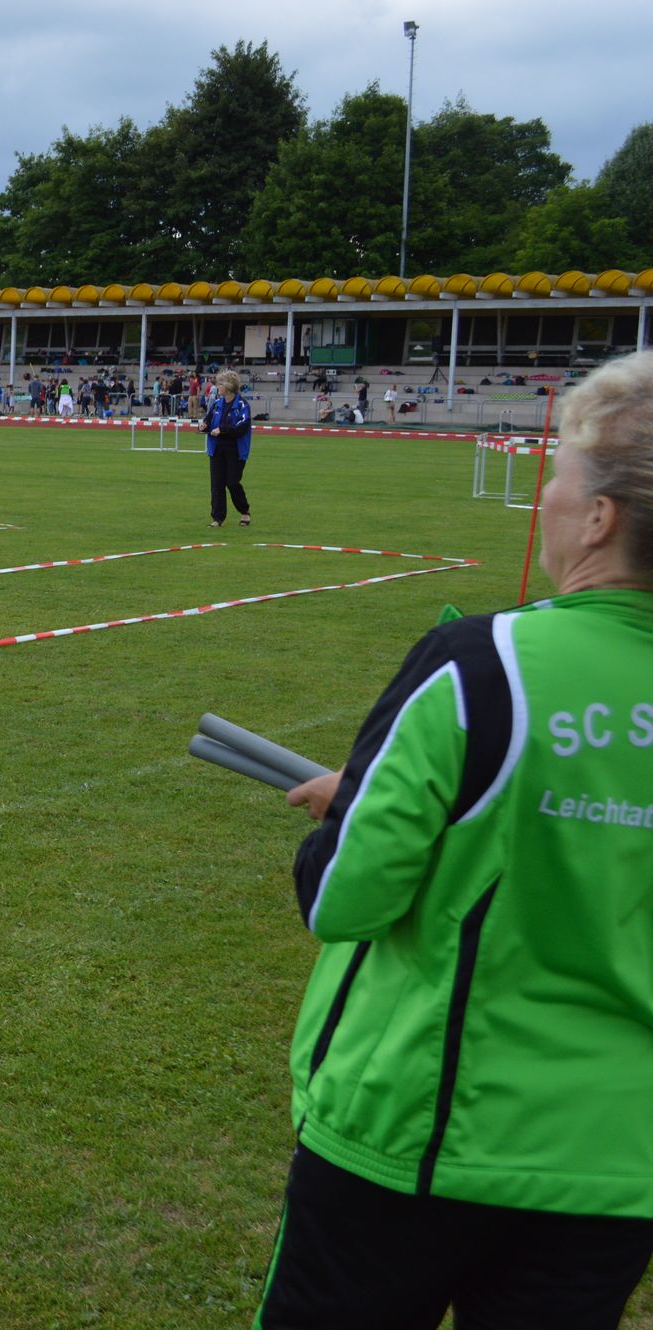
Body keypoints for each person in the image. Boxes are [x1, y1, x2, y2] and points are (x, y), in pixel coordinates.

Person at [255, 350, 653, 1328]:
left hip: (417, 1135)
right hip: (614, 1165)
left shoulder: (481, 665)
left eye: (557, 475)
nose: (544, 497)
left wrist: (351, 812)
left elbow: (344, 897)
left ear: (599, 518)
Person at [202, 368, 252, 528]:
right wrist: (204, 425)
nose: (218, 387)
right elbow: (208, 420)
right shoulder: (217, 404)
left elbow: (242, 426)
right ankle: (217, 518)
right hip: (217, 449)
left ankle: (244, 511)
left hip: (235, 451)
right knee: (216, 484)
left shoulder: (242, 405)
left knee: (232, 482)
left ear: (229, 387)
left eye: (221, 384)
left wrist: (223, 430)